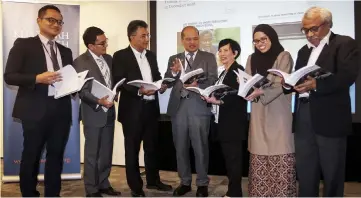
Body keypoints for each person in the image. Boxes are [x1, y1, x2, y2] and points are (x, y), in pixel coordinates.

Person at [283, 7, 360, 197]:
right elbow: (299, 79)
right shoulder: (302, 51)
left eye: (313, 29)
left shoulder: (344, 44)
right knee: (306, 172)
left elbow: (347, 76)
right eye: (305, 30)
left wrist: (316, 84)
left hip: (330, 119)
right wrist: (289, 84)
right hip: (303, 117)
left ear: (328, 25)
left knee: (332, 174)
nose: (309, 34)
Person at [4, 5, 72, 197]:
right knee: (31, 156)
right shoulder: (24, 45)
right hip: (34, 110)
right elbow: (9, 76)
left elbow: (68, 78)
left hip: (61, 110)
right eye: (51, 20)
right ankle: (29, 193)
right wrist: (36, 78)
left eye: (59, 21)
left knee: (56, 156)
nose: (56, 24)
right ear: (39, 21)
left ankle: (53, 193)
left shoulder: (65, 51)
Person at [112, 20, 172, 197]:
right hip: (132, 112)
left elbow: (157, 76)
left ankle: (153, 181)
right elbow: (119, 80)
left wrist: (161, 85)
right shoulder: (120, 55)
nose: (147, 38)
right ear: (132, 37)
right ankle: (136, 187)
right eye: (143, 35)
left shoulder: (151, 55)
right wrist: (139, 90)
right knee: (132, 150)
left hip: (151, 109)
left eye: (148, 35)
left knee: (152, 148)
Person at [164, 26, 218, 197]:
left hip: (198, 107)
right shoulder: (174, 58)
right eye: (188, 39)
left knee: (200, 147)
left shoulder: (208, 57)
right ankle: (185, 182)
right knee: (180, 148)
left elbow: (213, 79)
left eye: (195, 38)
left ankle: (202, 183)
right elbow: (168, 79)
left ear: (199, 39)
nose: (192, 42)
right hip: (178, 108)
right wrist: (173, 72)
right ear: (182, 40)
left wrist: (198, 84)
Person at [244, 24, 296, 197]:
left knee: (280, 157)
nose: (260, 43)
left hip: (279, 115)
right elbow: (247, 81)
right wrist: (245, 89)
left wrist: (260, 91)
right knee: (259, 157)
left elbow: (280, 84)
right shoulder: (251, 59)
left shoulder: (284, 56)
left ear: (271, 38)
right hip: (258, 116)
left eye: (263, 39)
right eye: (256, 40)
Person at [73, 26, 121, 197]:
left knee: (106, 151)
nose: (105, 46)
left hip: (109, 111)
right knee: (92, 153)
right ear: (90, 46)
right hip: (93, 112)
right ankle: (91, 189)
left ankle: (103, 183)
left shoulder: (108, 58)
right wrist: (98, 101)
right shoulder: (80, 62)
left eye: (105, 42)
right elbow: (82, 91)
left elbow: (111, 81)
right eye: (101, 43)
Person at [203, 39, 247, 197]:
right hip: (222, 124)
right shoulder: (223, 72)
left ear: (235, 53)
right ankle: (233, 192)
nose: (221, 54)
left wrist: (218, 100)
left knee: (234, 162)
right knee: (229, 161)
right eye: (220, 50)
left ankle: (235, 193)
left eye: (226, 50)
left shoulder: (238, 70)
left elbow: (238, 97)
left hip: (233, 125)